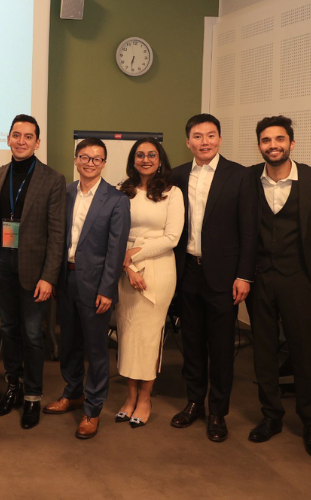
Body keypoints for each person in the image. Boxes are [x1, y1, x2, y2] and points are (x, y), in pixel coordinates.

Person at [169, 113, 257, 442]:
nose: (204, 141)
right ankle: (194, 402)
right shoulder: (177, 175)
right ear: (188, 141)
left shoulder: (240, 175)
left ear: (220, 139)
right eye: (197, 136)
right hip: (187, 270)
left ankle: (218, 411)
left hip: (224, 274)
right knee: (191, 343)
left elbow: (249, 230)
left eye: (211, 135)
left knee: (220, 348)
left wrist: (244, 275)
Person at [245, 116, 311, 456]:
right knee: (263, 350)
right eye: (266, 140)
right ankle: (271, 416)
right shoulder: (248, 178)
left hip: (301, 279)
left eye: (279, 139)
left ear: (291, 143)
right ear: (260, 146)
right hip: (260, 277)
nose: (273, 145)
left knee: (306, 353)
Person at [42, 138, 129, 439]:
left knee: (95, 348)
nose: (90, 163)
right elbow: (55, 239)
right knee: (69, 343)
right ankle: (72, 393)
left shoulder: (116, 200)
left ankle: (92, 410)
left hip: (95, 284)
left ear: (104, 163)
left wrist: (107, 289)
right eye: (84, 157)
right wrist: (52, 278)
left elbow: (116, 250)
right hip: (66, 279)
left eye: (97, 158)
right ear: (76, 159)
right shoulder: (64, 193)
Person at [0, 114, 66, 429]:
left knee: (34, 335)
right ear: (8, 138)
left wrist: (49, 276)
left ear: (37, 142)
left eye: (28, 136)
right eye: (16, 135)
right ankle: (13, 388)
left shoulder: (52, 179)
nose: (21, 141)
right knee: (8, 329)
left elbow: (57, 233)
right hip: (3, 263)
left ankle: (33, 396)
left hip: (35, 271)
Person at [113, 138, 184, 429]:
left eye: (151, 155)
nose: (145, 159)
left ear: (160, 159)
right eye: (139, 155)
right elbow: (114, 234)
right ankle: (129, 397)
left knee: (149, 338)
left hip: (158, 269)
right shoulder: (121, 192)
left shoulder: (172, 193)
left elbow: (172, 238)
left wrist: (134, 254)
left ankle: (145, 398)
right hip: (125, 270)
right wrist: (128, 264)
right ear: (132, 160)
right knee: (127, 336)